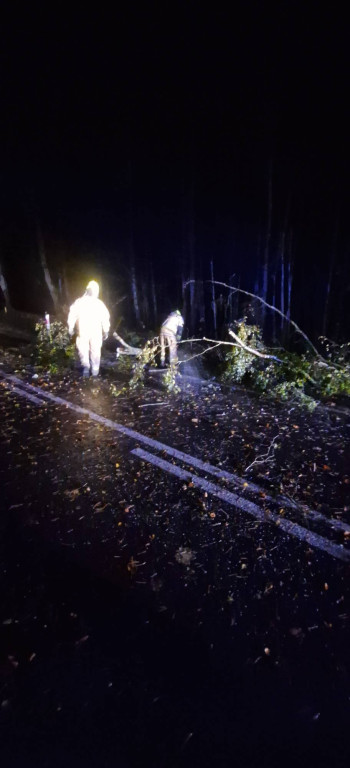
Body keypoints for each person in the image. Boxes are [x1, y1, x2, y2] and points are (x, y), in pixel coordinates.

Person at [68, 280, 110, 377]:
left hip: (84, 331)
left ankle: (87, 368)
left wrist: (71, 328)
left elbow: (72, 315)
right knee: (93, 351)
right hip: (93, 331)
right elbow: (105, 317)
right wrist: (106, 330)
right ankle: (94, 371)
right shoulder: (98, 303)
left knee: (84, 349)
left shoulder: (80, 302)